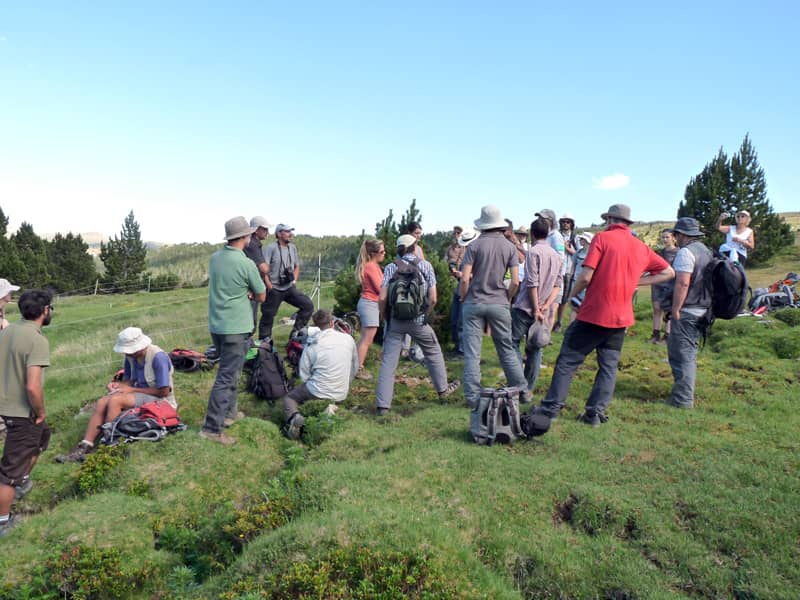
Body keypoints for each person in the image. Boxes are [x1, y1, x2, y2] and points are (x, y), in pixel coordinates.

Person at [532, 204, 674, 427]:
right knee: (608, 366)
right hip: (621, 318)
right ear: (628, 223)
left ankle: (551, 408)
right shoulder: (641, 247)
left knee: (568, 360)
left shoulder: (602, 239)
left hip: (594, 313)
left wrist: (571, 295)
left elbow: (586, 277)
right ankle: (595, 414)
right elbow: (669, 272)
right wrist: (637, 282)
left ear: (609, 220)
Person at [56, 327, 177, 462]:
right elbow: (127, 380)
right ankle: (85, 445)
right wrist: (117, 386)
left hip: (161, 401)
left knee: (115, 401)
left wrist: (132, 390)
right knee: (103, 401)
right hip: (138, 394)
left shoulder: (158, 357)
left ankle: (107, 446)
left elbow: (164, 391)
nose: (127, 353)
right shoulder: (131, 357)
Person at [375, 235, 460, 415]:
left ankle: (383, 406)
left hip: (395, 322)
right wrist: (425, 315)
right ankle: (443, 390)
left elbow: (382, 297)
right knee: (433, 351)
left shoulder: (391, 267)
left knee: (389, 363)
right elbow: (434, 298)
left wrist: (384, 317)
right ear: (415, 247)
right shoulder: (425, 266)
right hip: (418, 321)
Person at [200, 217, 266, 445]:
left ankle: (230, 413)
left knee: (232, 370)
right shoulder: (246, 263)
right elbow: (262, 295)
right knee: (226, 377)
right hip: (236, 327)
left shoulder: (215, 258)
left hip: (216, 326)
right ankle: (212, 428)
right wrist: (249, 292)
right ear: (245, 237)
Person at [460, 205, 529, 409]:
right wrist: (506, 299)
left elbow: (465, 279)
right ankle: (522, 390)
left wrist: (464, 297)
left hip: (474, 301)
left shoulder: (474, 246)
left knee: (473, 353)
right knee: (506, 349)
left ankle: (473, 398)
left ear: (482, 225)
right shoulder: (509, 248)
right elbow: (516, 281)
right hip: (499, 302)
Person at [0, 290, 53, 536]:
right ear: (44, 311)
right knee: (9, 470)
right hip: (21, 411)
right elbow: (33, 386)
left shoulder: (7, 330)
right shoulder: (37, 340)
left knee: (43, 436)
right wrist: (39, 411)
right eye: (50, 308)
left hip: (4, 404)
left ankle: (21, 481)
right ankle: (3, 520)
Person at [282, 309, 359, 439]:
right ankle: (330, 409)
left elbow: (304, 374)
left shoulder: (312, 344)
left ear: (315, 325)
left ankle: (294, 418)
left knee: (289, 398)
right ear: (332, 322)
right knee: (327, 392)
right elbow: (355, 366)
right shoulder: (348, 339)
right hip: (341, 391)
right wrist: (346, 381)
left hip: (317, 390)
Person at [511, 218, 562, 391]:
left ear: (532, 233)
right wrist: (546, 305)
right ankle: (528, 389)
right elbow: (557, 284)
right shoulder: (556, 255)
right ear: (547, 233)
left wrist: (535, 308)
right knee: (535, 348)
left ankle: (519, 384)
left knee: (512, 343)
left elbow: (532, 283)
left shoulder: (533, 252)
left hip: (526, 307)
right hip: (543, 310)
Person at [666, 218, 712, 409]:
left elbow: (683, 283)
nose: (675, 238)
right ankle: (682, 394)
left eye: (676, 235)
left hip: (688, 309)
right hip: (704, 309)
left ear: (682, 235)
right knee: (689, 353)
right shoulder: (706, 251)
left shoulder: (685, 253)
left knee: (682, 354)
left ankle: (683, 400)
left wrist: (675, 309)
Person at [258, 224, 314, 342]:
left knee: (308, 305)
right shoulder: (270, 248)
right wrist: (269, 285)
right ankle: (264, 345)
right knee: (268, 316)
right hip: (274, 288)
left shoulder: (292, 247)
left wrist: (294, 280)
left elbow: (297, 266)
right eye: (287, 231)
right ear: (279, 234)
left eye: (291, 231)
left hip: (288, 287)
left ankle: (296, 335)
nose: (290, 234)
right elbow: (263, 269)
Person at [354, 239, 385, 379]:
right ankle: (358, 369)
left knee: (365, 339)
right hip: (370, 304)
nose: (384, 253)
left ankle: (353, 365)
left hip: (369, 304)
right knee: (366, 339)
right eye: (382, 251)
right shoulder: (371, 267)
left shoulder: (373, 265)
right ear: (373, 253)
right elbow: (380, 288)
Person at [447, 227, 479, 356]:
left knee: (462, 321)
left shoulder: (477, 253)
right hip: (460, 288)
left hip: (468, 290)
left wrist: (464, 275)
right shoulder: (466, 252)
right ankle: (457, 346)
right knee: (455, 319)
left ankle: (462, 350)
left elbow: (478, 274)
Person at [534, 209, 566, 331]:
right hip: (545, 277)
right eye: (539, 218)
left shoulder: (556, 237)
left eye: (542, 219)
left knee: (552, 308)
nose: (540, 221)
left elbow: (560, 258)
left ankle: (545, 335)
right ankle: (540, 333)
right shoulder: (546, 235)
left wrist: (554, 276)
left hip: (553, 278)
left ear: (550, 221)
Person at [243, 216, 272, 333]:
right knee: (250, 323)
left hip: (252, 287)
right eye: (264, 229)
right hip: (250, 289)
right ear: (256, 230)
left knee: (251, 321)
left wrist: (267, 281)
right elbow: (263, 268)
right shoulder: (253, 245)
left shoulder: (255, 244)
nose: (267, 232)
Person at [649, 229, 678, 343]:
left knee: (668, 311)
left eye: (667, 237)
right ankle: (655, 334)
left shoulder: (679, 252)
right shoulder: (659, 253)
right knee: (657, 309)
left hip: (670, 285)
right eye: (663, 237)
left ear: (673, 238)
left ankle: (667, 336)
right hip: (657, 284)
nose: (664, 240)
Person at [555, 214, 577, 331]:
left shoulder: (575, 238)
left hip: (568, 271)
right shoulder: (556, 235)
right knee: (554, 297)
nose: (565, 224)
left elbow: (580, 254)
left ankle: (559, 322)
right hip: (557, 270)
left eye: (568, 222)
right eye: (563, 221)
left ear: (571, 224)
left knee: (564, 299)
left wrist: (568, 249)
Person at [568, 232, 594, 323]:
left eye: (582, 239)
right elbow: (573, 267)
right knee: (574, 306)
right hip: (576, 282)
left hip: (587, 284)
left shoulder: (593, 254)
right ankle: (572, 327)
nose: (580, 241)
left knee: (586, 307)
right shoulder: (578, 252)